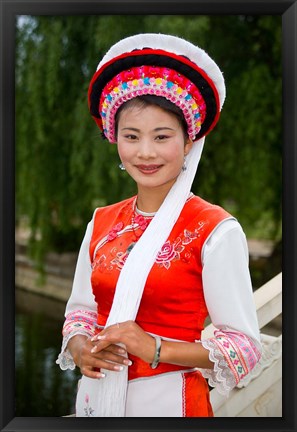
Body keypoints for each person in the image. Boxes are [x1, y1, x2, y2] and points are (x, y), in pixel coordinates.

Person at [56, 33, 262, 417]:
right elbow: (80, 312)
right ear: (115, 140)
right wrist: (81, 348)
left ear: (188, 142)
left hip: (170, 404)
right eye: (131, 136)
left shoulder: (215, 229)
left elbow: (244, 350)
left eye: (162, 136)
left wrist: (152, 346)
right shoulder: (102, 222)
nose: (145, 152)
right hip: (94, 400)